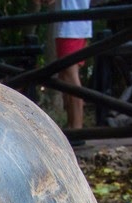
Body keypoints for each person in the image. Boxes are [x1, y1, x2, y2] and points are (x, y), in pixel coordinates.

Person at [51, 0, 93, 129]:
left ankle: (77, 128)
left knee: (71, 78)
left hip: (69, 28)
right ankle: (72, 126)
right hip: (78, 26)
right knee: (65, 77)